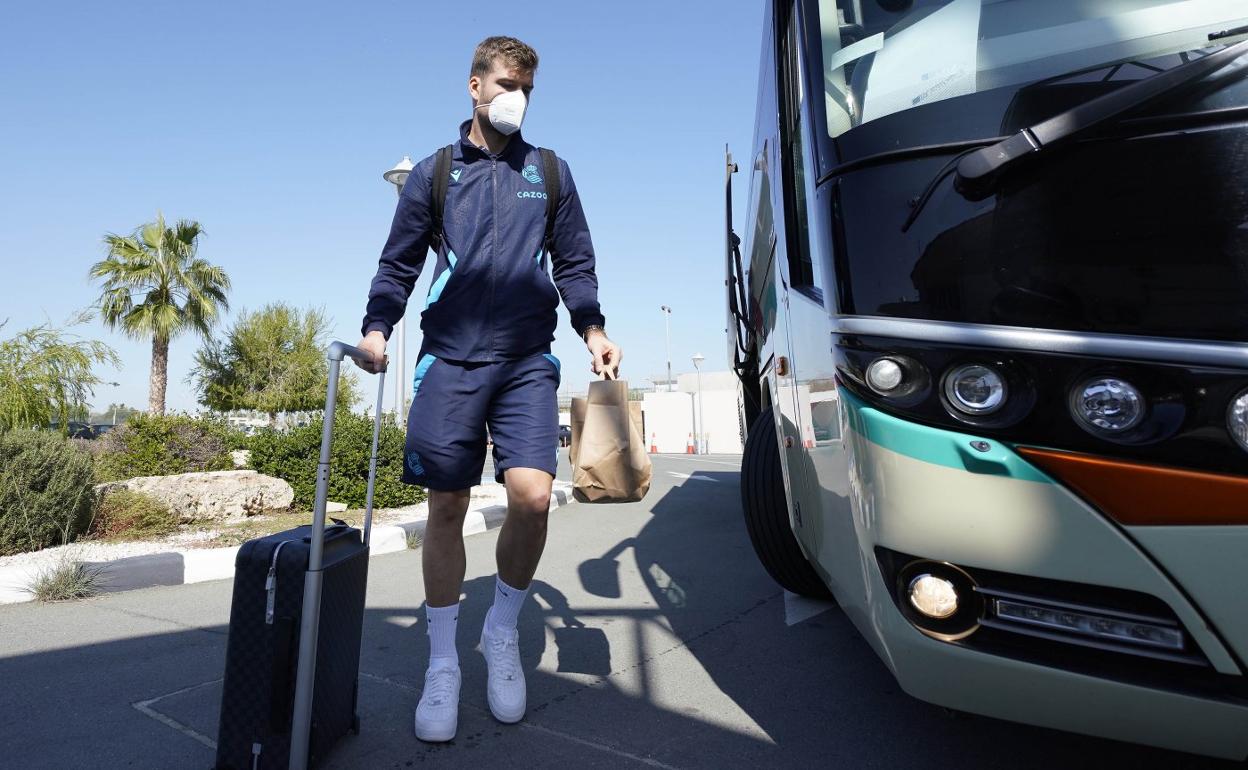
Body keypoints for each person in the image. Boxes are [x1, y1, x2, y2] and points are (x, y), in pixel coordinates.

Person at [354, 35, 621, 743]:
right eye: (505, 84)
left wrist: (592, 330)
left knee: (533, 496)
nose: (517, 99)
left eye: (527, 88)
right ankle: (444, 661)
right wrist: (378, 328)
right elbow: (399, 262)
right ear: (474, 87)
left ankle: (499, 631)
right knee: (447, 504)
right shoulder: (436, 174)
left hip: (526, 357)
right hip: (451, 358)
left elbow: (575, 261)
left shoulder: (550, 172)